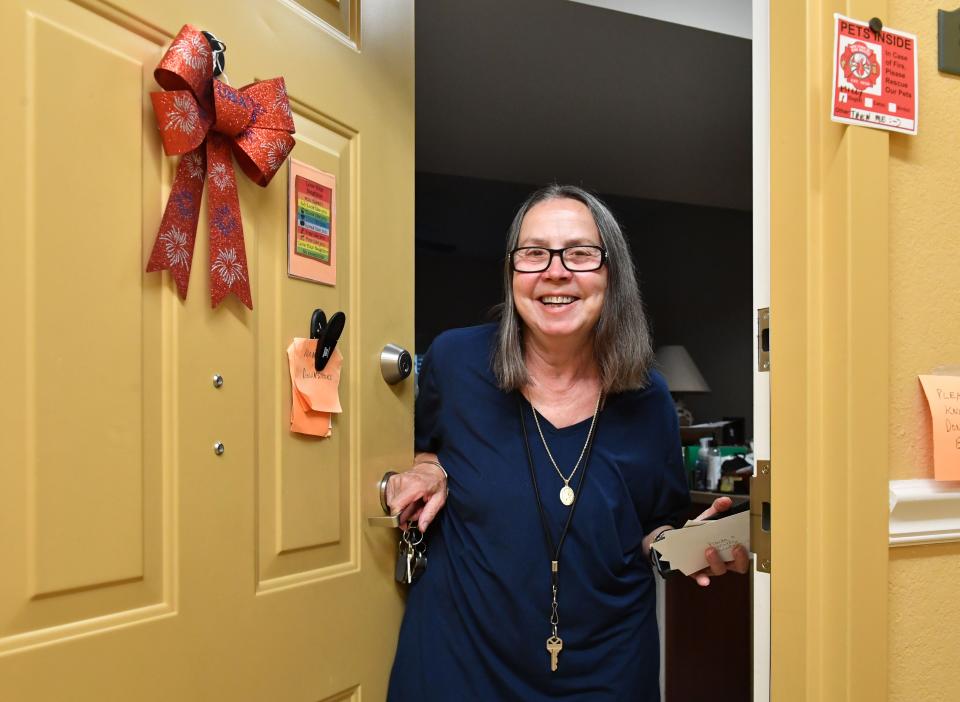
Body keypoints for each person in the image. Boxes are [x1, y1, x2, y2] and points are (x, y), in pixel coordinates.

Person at [385, 185, 749, 701]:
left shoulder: (650, 397)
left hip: (608, 672)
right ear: (512, 273)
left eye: (580, 253)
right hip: (460, 664)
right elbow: (429, 447)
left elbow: (652, 526)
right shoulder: (455, 361)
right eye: (533, 253)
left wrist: (694, 546)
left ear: (611, 275)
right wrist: (430, 469)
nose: (556, 272)